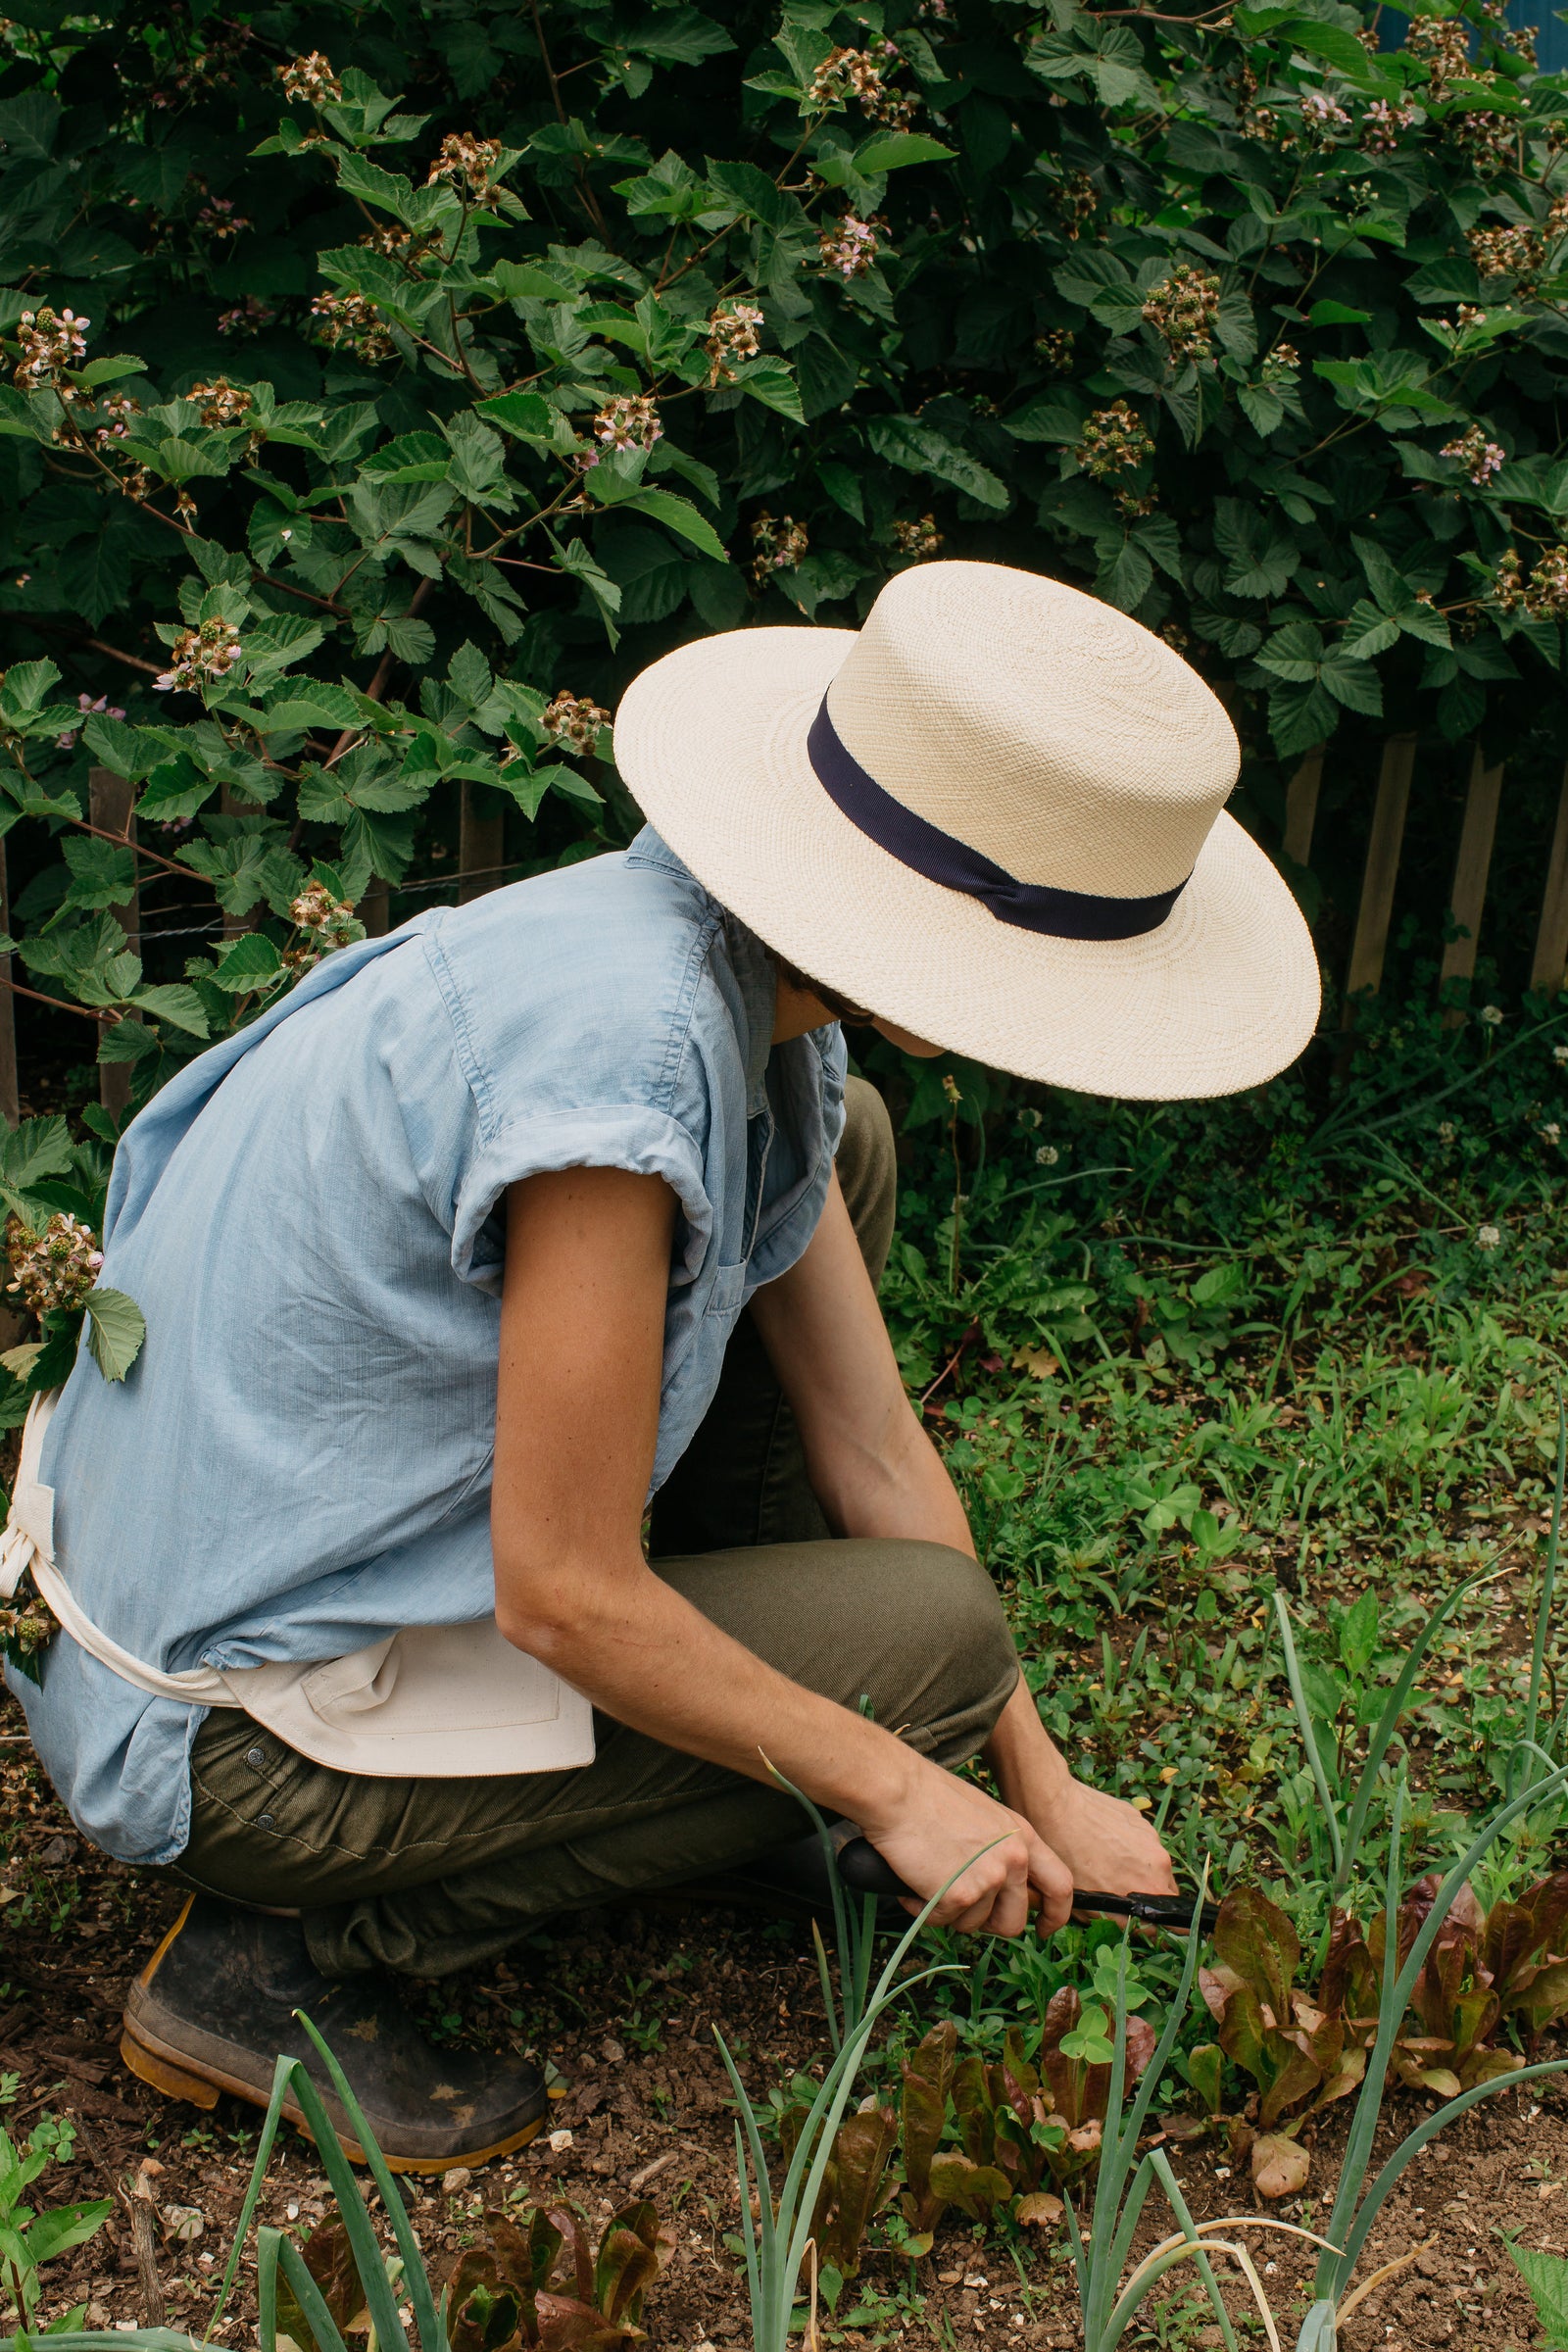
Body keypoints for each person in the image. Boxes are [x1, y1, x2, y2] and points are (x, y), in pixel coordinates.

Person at [0, 561, 1318, 2172]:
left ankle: (711, 1747)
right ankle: (281, 1956)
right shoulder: (621, 1084)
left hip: (241, 1564)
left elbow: (873, 1446)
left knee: (856, 1166)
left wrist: (1035, 1779)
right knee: (935, 1640)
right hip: (229, 1737)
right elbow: (560, 1593)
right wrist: (898, 1778)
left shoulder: (721, 969)